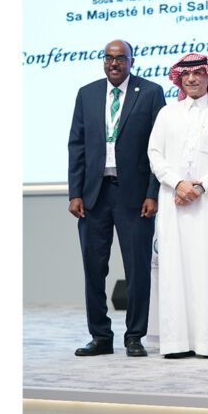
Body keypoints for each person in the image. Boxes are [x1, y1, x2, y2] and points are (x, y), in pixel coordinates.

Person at [68, 39, 166, 357]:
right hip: (94, 196)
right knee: (94, 269)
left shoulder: (150, 93)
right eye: (109, 58)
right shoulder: (87, 94)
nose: (114, 63)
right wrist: (75, 192)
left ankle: (135, 336)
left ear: (131, 61)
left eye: (121, 58)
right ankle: (100, 337)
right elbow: (77, 145)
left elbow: (159, 149)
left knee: (137, 269)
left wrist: (153, 193)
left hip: (134, 197)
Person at [147, 53, 208, 358]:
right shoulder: (167, 114)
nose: (191, 78)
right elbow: (155, 153)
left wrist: (200, 186)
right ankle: (176, 343)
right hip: (173, 204)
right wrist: (178, 183)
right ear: (179, 79)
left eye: (198, 73)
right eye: (186, 74)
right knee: (174, 271)